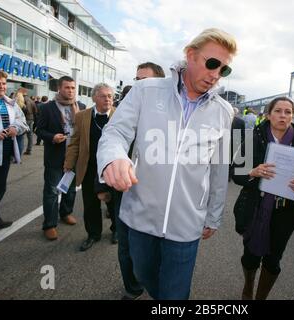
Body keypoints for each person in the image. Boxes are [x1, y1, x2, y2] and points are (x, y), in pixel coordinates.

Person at [97, 28, 237, 300]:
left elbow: (219, 169)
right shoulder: (145, 90)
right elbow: (115, 133)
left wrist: (214, 214)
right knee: (144, 275)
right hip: (140, 215)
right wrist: (114, 158)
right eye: (212, 63)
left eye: (224, 69)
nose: (216, 74)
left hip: (187, 225)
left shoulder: (224, 112)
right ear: (190, 55)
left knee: (174, 295)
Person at [232, 97, 294, 300]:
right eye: (278, 111)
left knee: (273, 259)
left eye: (288, 112)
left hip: (285, 211)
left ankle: (261, 296)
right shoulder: (252, 137)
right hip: (255, 207)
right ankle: (248, 287)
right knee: (250, 256)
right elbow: (236, 174)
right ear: (268, 115)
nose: (283, 116)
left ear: (293, 115)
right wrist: (253, 172)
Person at [104, 62, 165, 300]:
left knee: (155, 249)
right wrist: (104, 186)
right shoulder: (123, 112)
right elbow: (106, 145)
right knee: (126, 248)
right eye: (136, 79)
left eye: (145, 81)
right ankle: (132, 288)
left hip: (157, 196)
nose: (138, 85)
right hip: (125, 192)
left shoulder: (168, 118)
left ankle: (157, 285)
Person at [64, 83, 116, 251]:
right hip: (89, 168)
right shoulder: (82, 116)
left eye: (110, 96)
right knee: (91, 203)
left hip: (112, 168)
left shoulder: (120, 115)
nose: (108, 99)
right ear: (94, 98)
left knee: (114, 202)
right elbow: (75, 142)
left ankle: (117, 230)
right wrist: (69, 163)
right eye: (103, 96)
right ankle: (93, 234)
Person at [37, 76, 81, 241]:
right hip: (55, 156)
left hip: (74, 156)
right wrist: (52, 137)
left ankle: (66, 213)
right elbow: (39, 130)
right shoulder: (47, 108)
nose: (70, 91)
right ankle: (49, 224)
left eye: (72, 88)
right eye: (67, 87)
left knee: (70, 189)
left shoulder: (80, 106)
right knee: (52, 191)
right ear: (59, 89)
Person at [0, 68, 28, 229]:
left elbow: (22, 122)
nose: (1, 86)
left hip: (4, 151)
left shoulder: (11, 104)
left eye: (3, 83)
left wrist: (15, 129)